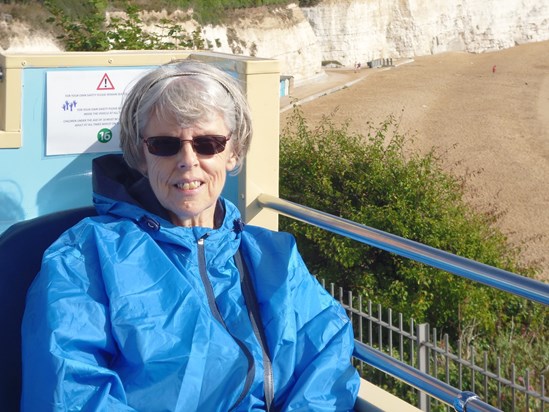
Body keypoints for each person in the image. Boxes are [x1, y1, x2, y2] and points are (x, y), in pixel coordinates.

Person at [21, 59, 360, 411]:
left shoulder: (273, 257)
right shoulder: (86, 257)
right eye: (165, 145)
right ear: (141, 155)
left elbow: (326, 358)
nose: (187, 160)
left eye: (208, 143)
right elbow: (70, 393)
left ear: (234, 152)